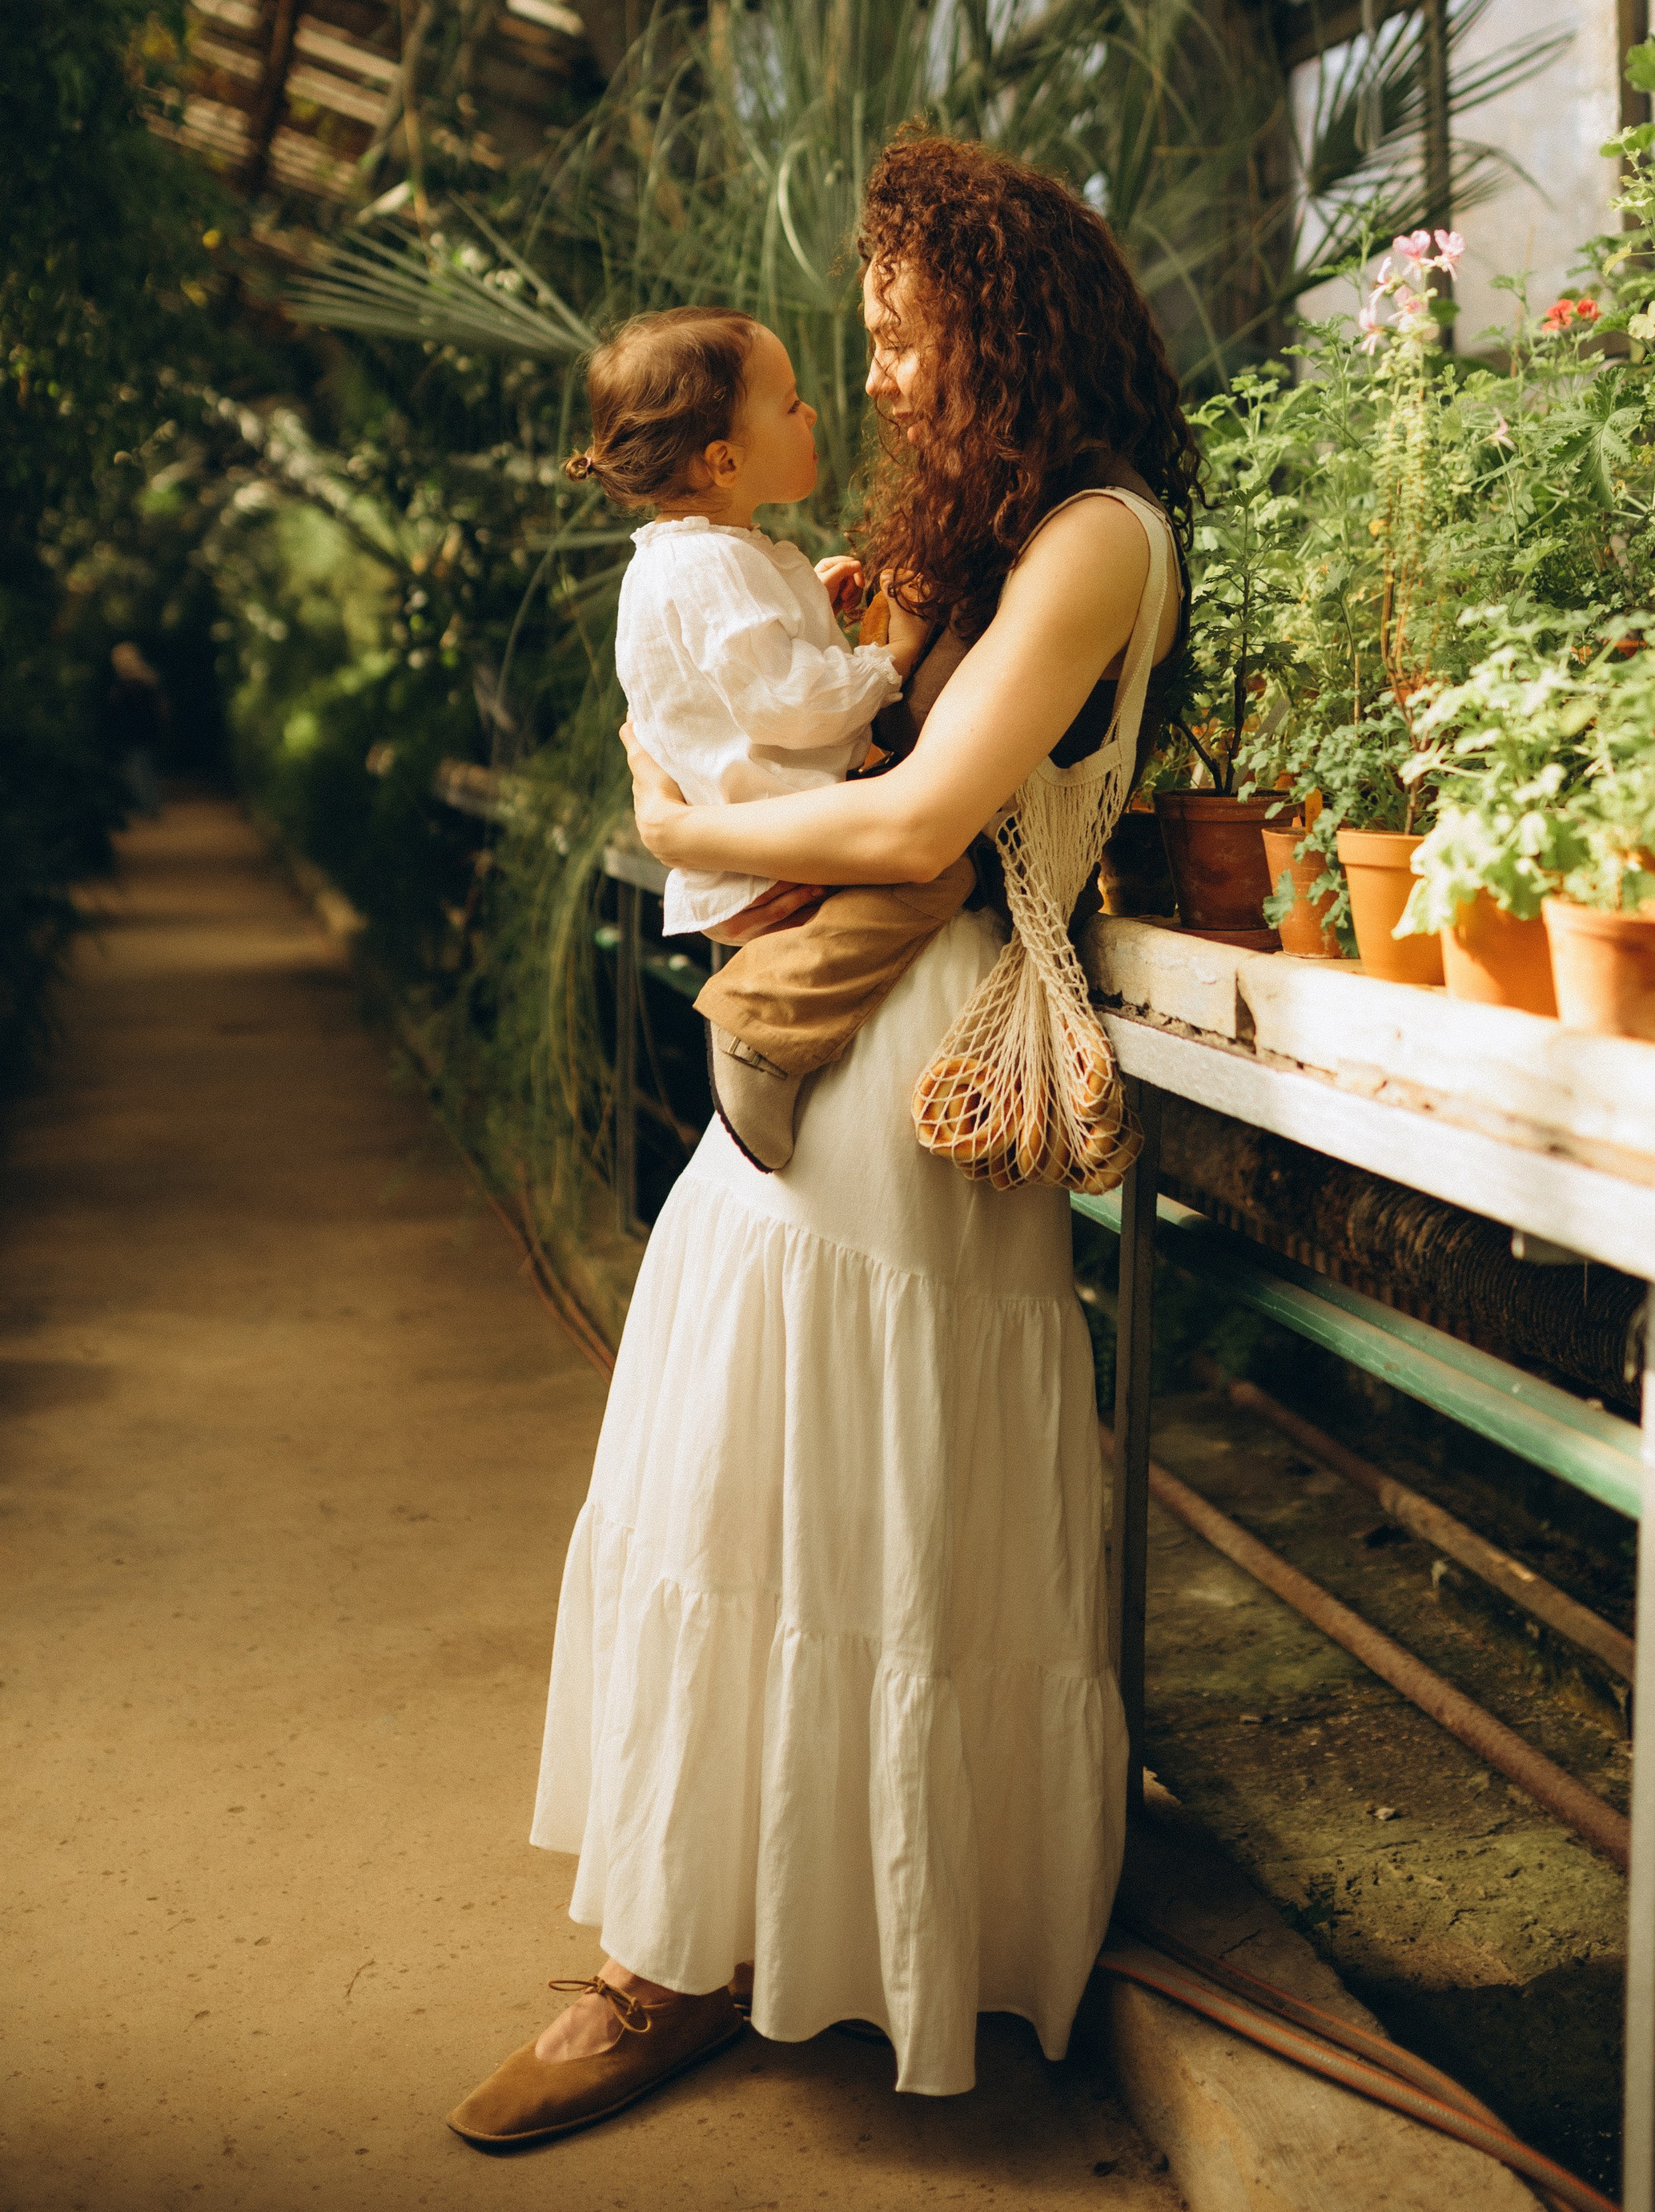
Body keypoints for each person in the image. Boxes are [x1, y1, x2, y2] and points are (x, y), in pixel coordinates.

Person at [448, 134, 1193, 2153]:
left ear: (1000, 322)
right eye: (855, 344)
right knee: (745, 1487)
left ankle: (736, 1965)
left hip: (923, 1062)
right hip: (850, 1056)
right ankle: (690, 1948)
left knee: (829, 1496)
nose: (873, 376)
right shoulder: (1005, 526)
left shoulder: (1097, 536)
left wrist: (682, 831)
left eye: (897, 332)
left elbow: (911, 826)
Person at [564, 304, 974, 1169]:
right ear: (724, 459)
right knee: (941, 875)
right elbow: (785, 704)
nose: (813, 411)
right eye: (788, 405)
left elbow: (739, 672)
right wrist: (888, 656)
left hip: (745, 830)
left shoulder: (699, 556)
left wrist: (809, 613)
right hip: (770, 842)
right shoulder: (712, 567)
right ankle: (758, 1025)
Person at [106, 641, 167, 818]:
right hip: (145, 733)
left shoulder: (124, 687)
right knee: (144, 770)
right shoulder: (148, 682)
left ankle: (148, 807)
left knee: (136, 771)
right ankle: (152, 807)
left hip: (132, 735)